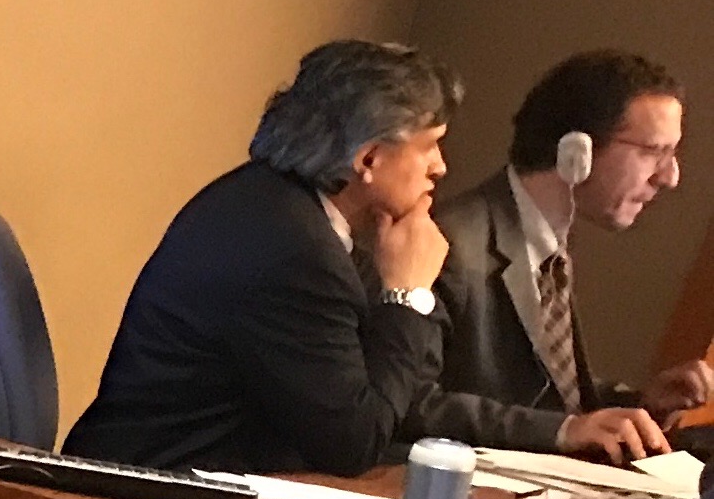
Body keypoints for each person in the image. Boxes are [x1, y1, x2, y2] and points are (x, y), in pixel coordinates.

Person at [65, 40, 457, 475]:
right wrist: (406, 297)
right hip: (146, 488)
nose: (439, 167)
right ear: (368, 158)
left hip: (183, 472)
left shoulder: (278, 204)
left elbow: (400, 394)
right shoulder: (295, 249)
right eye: (429, 146)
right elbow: (353, 443)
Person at [423, 50, 709, 457]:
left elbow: (546, 399)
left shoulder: (549, 248)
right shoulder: (450, 244)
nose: (670, 177)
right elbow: (413, 403)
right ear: (576, 152)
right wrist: (563, 431)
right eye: (652, 152)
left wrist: (644, 404)